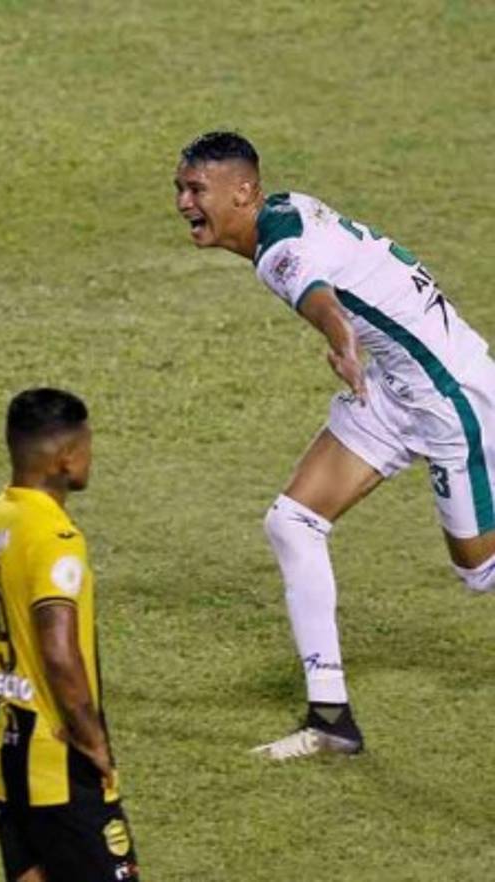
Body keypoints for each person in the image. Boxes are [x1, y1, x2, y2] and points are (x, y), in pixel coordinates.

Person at [174, 130, 495, 760]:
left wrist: (342, 343)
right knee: (293, 522)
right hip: (394, 390)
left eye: (196, 190)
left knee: (479, 569)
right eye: (180, 187)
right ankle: (331, 718)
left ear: (243, 192)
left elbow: (321, 302)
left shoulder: (279, 249)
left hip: (448, 397)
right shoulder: (286, 206)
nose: (184, 202)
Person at [0, 389, 140, 882]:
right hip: (58, 760)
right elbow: (58, 650)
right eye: (88, 445)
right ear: (66, 458)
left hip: (6, 750)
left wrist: (9, 672)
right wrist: (93, 743)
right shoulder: (55, 538)